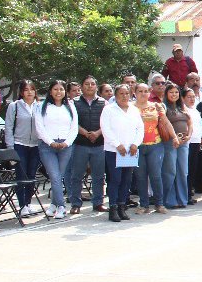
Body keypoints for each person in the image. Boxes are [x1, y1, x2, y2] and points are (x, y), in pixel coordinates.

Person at [32, 80, 78, 219]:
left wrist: (67, 142)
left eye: (61, 89)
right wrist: (51, 142)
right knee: (54, 176)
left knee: (58, 177)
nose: (59, 92)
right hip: (47, 146)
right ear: (50, 91)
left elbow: (74, 127)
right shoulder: (41, 106)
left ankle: (53, 205)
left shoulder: (70, 106)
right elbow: (40, 127)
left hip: (65, 146)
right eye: (55, 89)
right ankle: (61, 206)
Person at [65, 77, 107, 213]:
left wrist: (97, 133)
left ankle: (98, 203)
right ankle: (75, 204)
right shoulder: (73, 103)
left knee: (99, 176)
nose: (90, 86)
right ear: (82, 87)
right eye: (87, 84)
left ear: (96, 87)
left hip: (99, 144)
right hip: (80, 144)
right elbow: (71, 122)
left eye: (93, 84)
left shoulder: (104, 103)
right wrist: (85, 133)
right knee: (76, 175)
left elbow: (108, 123)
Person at [100, 85, 141, 222]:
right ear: (116, 95)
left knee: (126, 179)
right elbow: (105, 129)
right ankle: (113, 208)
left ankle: (122, 206)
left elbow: (140, 129)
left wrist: (135, 143)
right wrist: (117, 144)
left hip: (130, 151)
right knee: (115, 179)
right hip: (114, 150)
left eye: (127, 93)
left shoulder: (134, 110)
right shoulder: (109, 109)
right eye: (121, 93)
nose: (124, 96)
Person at [6, 79, 43, 218]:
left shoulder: (40, 106)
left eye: (32, 89)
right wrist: (10, 147)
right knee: (21, 175)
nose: (29, 92)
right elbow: (8, 127)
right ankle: (22, 205)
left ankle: (28, 203)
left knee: (32, 175)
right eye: (26, 90)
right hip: (19, 144)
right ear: (21, 92)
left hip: (35, 145)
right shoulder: (14, 106)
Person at [132, 83, 168, 213]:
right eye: (140, 91)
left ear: (150, 92)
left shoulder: (156, 106)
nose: (143, 94)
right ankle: (144, 205)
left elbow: (165, 122)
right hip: (137, 146)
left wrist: (174, 137)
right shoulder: (129, 108)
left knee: (156, 175)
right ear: (135, 92)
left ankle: (159, 204)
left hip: (155, 144)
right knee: (140, 176)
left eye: (146, 91)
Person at [160, 85, 192, 209]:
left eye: (176, 92)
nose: (174, 94)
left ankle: (182, 200)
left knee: (183, 171)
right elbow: (164, 123)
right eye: (171, 92)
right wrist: (174, 138)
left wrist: (189, 135)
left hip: (184, 142)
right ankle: (169, 200)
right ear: (166, 94)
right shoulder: (163, 107)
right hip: (170, 142)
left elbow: (190, 123)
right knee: (170, 171)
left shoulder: (182, 107)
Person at [183, 87, 202, 201]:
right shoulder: (183, 110)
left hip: (196, 141)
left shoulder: (195, 110)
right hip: (188, 142)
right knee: (186, 169)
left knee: (193, 168)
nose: (192, 99)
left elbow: (199, 125)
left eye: (193, 97)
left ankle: (189, 191)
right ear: (183, 98)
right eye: (189, 97)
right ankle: (185, 193)